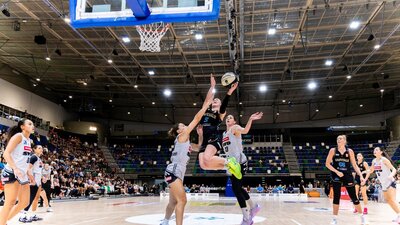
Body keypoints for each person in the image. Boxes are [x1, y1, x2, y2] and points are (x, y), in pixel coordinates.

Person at [160, 78, 213, 225]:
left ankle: (165, 222)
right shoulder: (182, 136)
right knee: (182, 200)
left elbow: (198, 147)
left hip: (177, 172)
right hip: (174, 171)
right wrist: (205, 107)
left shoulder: (186, 142)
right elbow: (196, 119)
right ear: (179, 130)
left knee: (173, 201)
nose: (185, 127)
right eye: (183, 126)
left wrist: (201, 135)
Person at [198, 74, 242, 179]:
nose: (215, 100)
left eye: (217, 100)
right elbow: (207, 100)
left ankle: (229, 161)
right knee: (203, 165)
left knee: (207, 158)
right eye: (214, 99)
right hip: (204, 139)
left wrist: (230, 91)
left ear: (220, 103)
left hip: (214, 137)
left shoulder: (220, 113)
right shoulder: (206, 110)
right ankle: (227, 166)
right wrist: (212, 86)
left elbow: (225, 104)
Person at [223, 112, 263, 225]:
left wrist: (250, 119)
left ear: (234, 121)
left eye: (231, 117)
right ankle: (253, 206)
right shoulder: (223, 134)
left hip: (240, 162)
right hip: (232, 164)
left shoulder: (234, 128)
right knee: (238, 188)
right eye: (227, 117)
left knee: (236, 189)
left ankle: (247, 218)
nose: (228, 118)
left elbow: (245, 131)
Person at [325, 135, 367, 225]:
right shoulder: (333, 150)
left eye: (340, 139)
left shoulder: (350, 151)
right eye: (337, 139)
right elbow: (327, 164)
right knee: (336, 196)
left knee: (354, 197)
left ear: (345, 141)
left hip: (347, 175)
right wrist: (337, 171)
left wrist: (361, 176)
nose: (338, 140)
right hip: (336, 175)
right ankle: (334, 219)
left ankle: (362, 217)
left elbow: (355, 165)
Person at [0, 119, 35, 225]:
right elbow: (6, 154)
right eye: (29, 124)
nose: (33, 126)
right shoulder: (18, 136)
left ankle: (3, 220)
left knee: (25, 202)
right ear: (22, 127)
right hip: (11, 172)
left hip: (22, 174)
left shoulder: (29, 140)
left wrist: (29, 173)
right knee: (10, 202)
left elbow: (25, 159)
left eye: (33, 124)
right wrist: (15, 168)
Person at [364, 147, 400, 223]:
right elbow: (371, 170)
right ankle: (398, 215)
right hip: (383, 184)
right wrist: (365, 171)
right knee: (388, 201)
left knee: (392, 200)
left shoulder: (384, 160)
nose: (375, 151)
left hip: (390, 182)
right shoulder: (374, 161)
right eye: (374, 150)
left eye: (377, 150)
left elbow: (394, 169)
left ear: (381, 152)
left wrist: (391, 175)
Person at [19, 145, 44, 223]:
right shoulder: (34, 157)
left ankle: (33, 215)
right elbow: (28, 168)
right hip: (34, 181)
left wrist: (42, 177)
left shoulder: (38, 158)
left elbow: (38, 169)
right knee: (30, 198)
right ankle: (23, 216)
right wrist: (31, 179)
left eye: (42, 148)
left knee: (35, 198)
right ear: (34, 149)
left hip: (37, 180)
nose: (41, 149)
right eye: (39, 148)